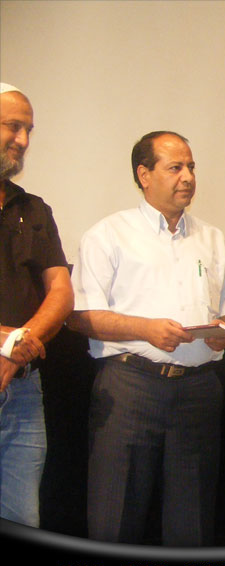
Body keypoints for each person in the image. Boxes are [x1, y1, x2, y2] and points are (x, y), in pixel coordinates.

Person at [67, 131, 225, 545]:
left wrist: (223, 330)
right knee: (116, 515)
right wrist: (144, 329)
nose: (188, 177)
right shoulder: (108, 234)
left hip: (198, 390)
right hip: (131, 387)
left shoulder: (212, 238)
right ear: (144, 175)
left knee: (192, 521)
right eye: (175, 167)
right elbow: (80, 316)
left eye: (191, 167)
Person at [0, 83, 74, 526]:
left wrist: (18, 344)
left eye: (28, 130)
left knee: (22, 519)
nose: (23, 140)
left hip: (24, 392)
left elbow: (61, 292)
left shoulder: (35, 209)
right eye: (13, 126)